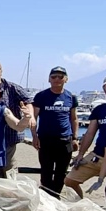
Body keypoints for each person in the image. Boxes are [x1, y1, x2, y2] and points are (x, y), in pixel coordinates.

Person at [64, 74, 106, 198]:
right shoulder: (100, 109)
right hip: (98, 155)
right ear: (104, 88)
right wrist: (81, 154)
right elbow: (90, 133)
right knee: (70, 181)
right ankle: (81, 205)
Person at [31, 66, 78, 197]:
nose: (57, 79)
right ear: (49, 79)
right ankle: (46, 197)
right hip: (46, 140)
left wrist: (75, 138)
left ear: (66, 79)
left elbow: (74, 119)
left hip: (65, 140)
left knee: (61, 172)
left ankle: (56, 196)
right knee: (46, 171)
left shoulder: (71, 97)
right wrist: (34, 136)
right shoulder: (41, 96)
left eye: (60, 77)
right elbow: (34, 118)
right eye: (54, 77)